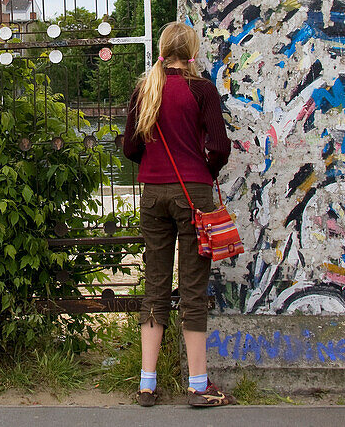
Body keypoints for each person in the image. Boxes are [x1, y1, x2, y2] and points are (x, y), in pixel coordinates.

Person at [122, 21, 235, 407]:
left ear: (161, 49)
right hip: (193, 195)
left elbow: (129, 147)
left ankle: (147, 383)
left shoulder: (145, 89)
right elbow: (219, 146)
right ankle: (198, 385)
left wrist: (153, 163)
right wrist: (205, 169)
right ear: (192, 52)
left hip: (153, 195)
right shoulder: (202, 90)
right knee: (192, 290)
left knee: (154, 284)